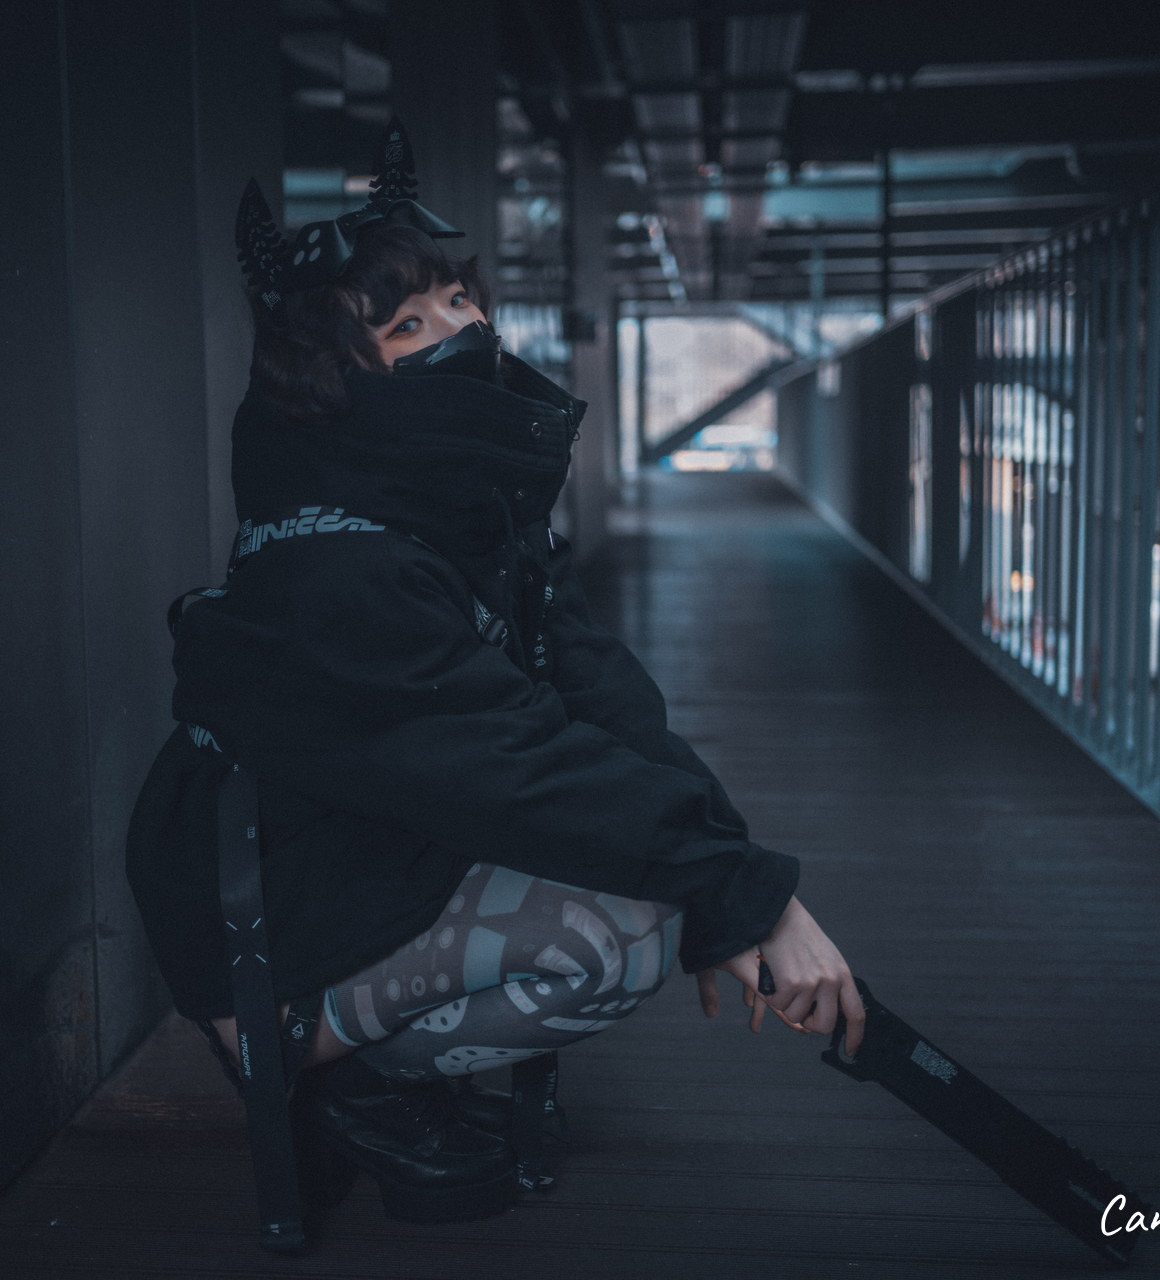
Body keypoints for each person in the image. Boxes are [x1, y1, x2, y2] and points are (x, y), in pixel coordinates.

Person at [125, 120, 864, 1228]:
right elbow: (520, 765)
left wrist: (741, 884)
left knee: (656, 881)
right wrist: (732, 890)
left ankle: (348, 1057)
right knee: (620, 935)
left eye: (456, 300)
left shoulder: (460, 515)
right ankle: (293, 1047)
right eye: (405, 326)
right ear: (334, 380)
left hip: (370, 844)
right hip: (280, 896)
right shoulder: (339, 567)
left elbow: (603, 700)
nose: (460, 330)